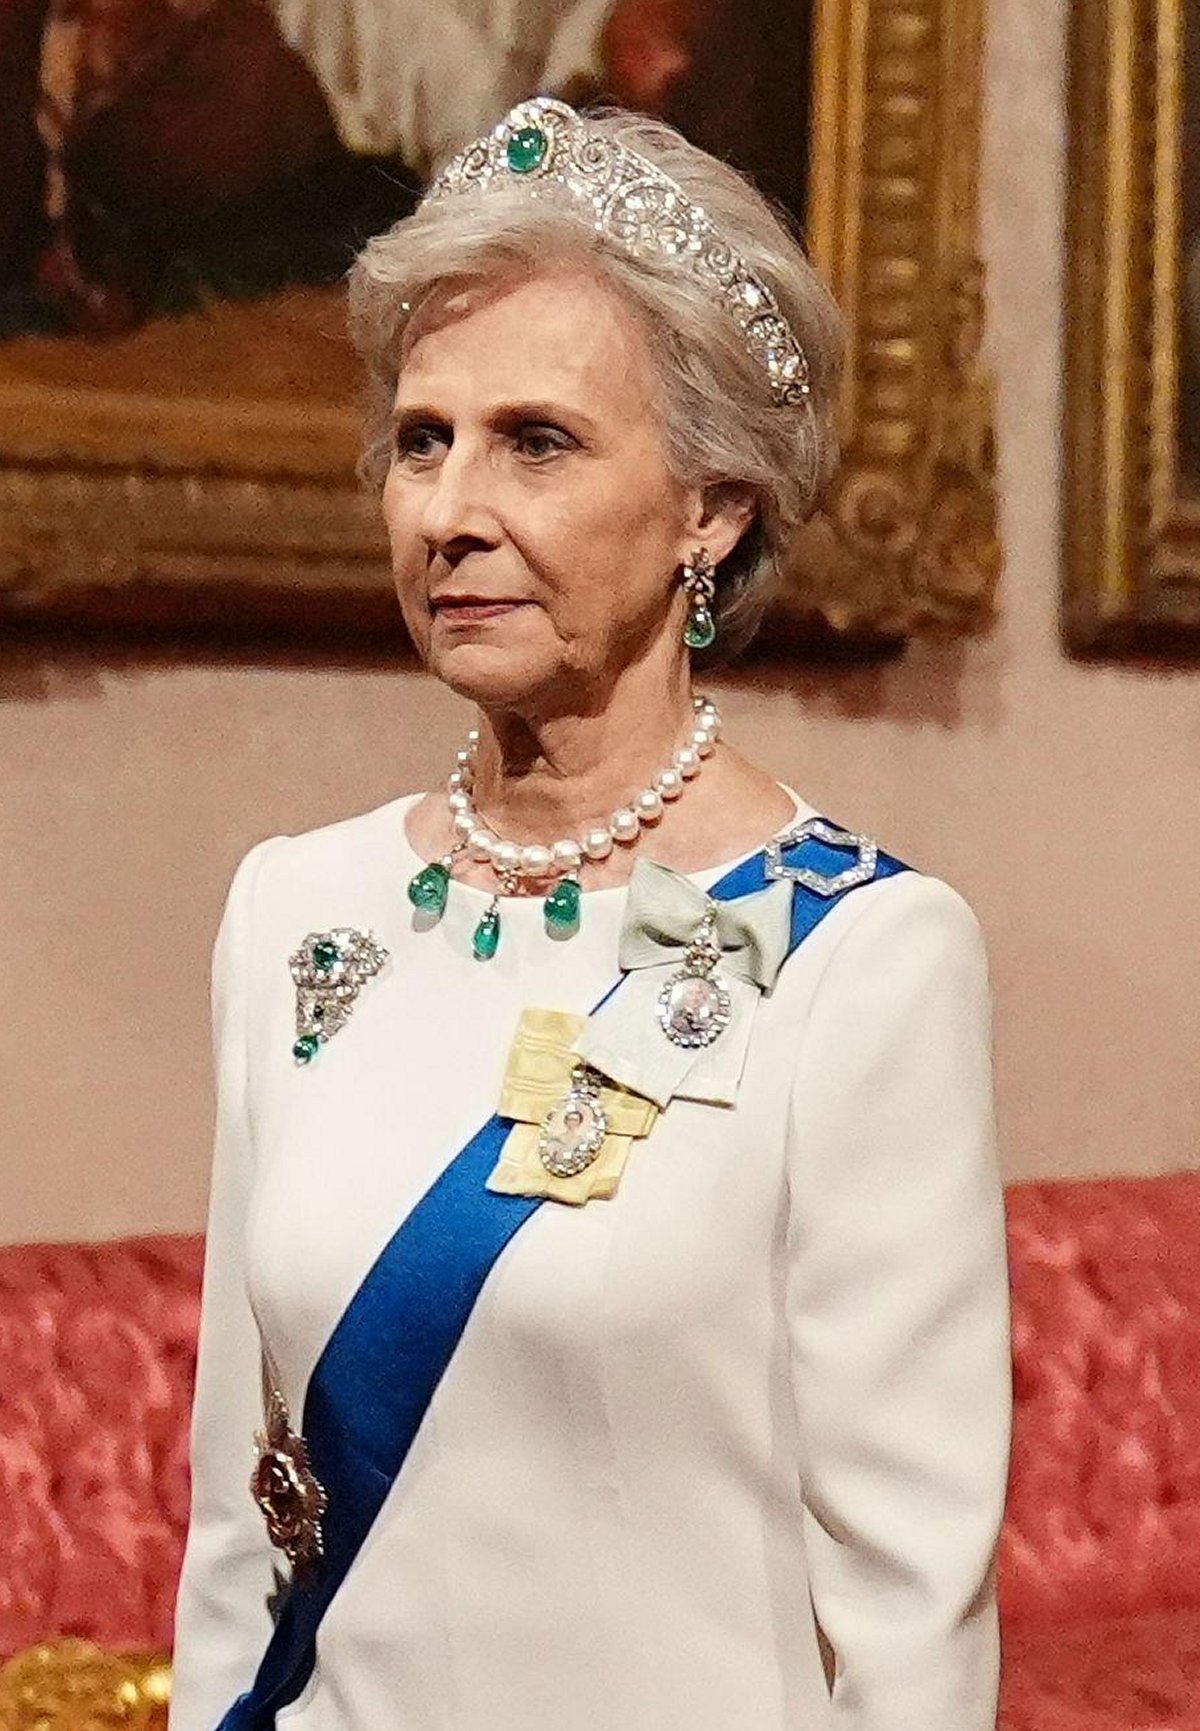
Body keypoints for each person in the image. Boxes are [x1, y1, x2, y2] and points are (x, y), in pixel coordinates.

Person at [167, 96, 1013, 1731]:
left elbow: (915, 1617)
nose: (448, 512)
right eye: (423, 438)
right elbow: (238, 1513)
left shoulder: (863, 957)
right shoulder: (296, 911)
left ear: (714, 505)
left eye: (536, 442)